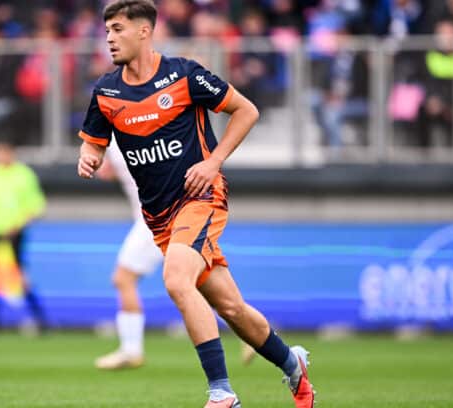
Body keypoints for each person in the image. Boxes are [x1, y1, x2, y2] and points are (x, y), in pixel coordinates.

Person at [76, 2, 314, 407]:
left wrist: (213, 161)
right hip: (159, 217)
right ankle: (292, 363)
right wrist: (88, 156)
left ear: (144, 31)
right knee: (232, 308)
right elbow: (93, 143)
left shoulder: (184, 74)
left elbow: (246, 110)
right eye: (107, 30)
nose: (109, 38)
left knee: (175, 280)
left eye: (117, 29)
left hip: (201, 197)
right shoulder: (106, 92)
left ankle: (222, 393)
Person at [94, 141, 163, 370]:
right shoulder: (115, 137)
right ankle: (255, 331)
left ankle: (131, 350)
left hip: (156, 216)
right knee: (201, 282)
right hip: (161, 212)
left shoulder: (120, 130)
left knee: (123, 278)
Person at [0, 138, 47, 333]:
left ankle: (39, 319)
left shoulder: (24, 175)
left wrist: (19, 224)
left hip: (16, 233)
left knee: (19, 275)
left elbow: (36, 205)